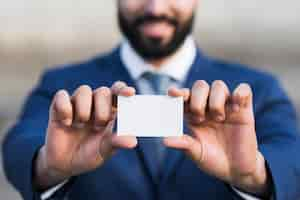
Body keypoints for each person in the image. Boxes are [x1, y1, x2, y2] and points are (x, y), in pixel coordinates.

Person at [2, 0, 300, 199]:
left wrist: (255, 176)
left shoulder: (255, 91)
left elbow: (292, 157)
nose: (155, 7)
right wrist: (48, 168)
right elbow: (19, 143)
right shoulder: (62, 85)